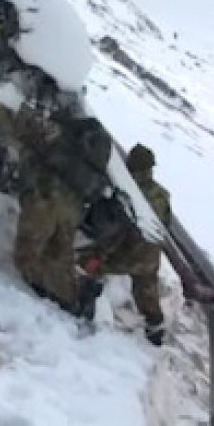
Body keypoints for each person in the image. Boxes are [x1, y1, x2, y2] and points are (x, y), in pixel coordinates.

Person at [0, 94, 111, 320]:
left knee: (26, 258)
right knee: (58, 259)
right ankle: (75, 298)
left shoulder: (56, 134)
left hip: (46, 199)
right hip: (73, 211)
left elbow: (20, 125)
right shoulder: (92, 154)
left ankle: (44, 289)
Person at [80, 144, 171, 345]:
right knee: (146, 290)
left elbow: (118, 233)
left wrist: (98, 257)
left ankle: (85, 307)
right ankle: (155, 329)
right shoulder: (162, 194)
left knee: (89, 266)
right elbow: (166, 225)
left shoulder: (131, 195)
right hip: (151, 256)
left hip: (129, 255)